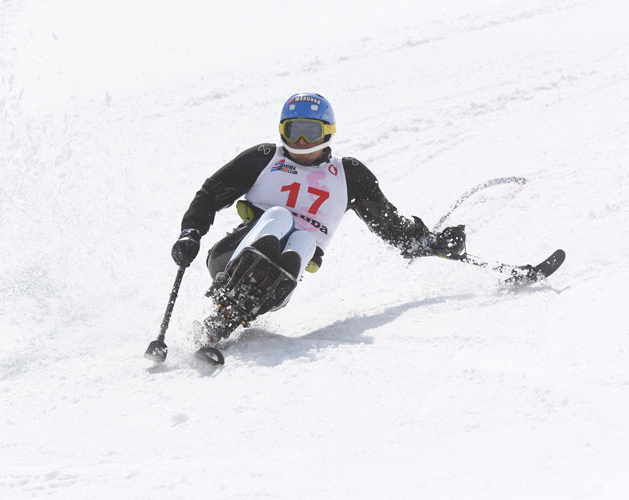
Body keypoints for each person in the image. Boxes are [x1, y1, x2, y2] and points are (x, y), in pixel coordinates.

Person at [171, 92, 465, 346]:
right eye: (292, 131)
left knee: (303, 239)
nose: (299, 142)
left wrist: (429, 243)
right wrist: (191, 232)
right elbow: (210, 194)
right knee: (279, 217)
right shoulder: (264, 159)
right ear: (281, 131)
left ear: (327, 132)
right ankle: (225, 308)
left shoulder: (349, 176)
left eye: (309, 133)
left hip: (280, 284)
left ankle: (225, 320)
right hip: (230, 259)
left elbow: (389, 225)